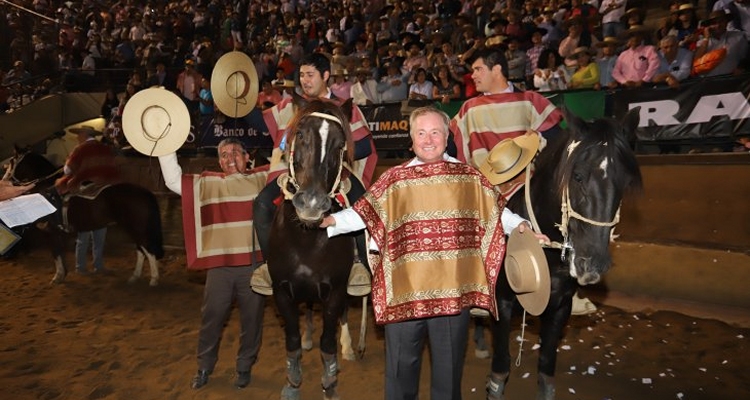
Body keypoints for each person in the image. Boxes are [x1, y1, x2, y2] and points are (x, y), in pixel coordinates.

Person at [319, 106, 548, 400]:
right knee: (400, 375)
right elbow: (364, 214)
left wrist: (525, 229)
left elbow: (496, 213)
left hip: (452, 296)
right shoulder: (395, 179)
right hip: (404, 294)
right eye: (421, 133)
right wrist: (330, 221)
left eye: (435, 132)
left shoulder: (469, 177)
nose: (428, 140)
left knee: (448, 377)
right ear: (411, 140)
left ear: (446, 137)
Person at [449, 48, 597, 315]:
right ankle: (477, 288)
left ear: (497, 70)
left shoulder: (530, 100)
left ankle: (572, 284)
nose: (473, 76)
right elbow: (451, 148)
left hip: (529, 180)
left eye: (478, 69)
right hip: (486, 185)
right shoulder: (468, 108)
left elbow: (558, 141)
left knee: (570, 210)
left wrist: (540, 143)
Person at [251, 52, 378, 296]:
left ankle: (360, 264)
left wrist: (336, 148)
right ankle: (270, 266)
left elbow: (364, 146)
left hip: (334, 174)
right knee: (262, 204)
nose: (305, 80)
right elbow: (260, 124)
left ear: (326, 76)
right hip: (294, 175)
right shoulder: (291, 105)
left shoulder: (343, 107)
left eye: (310, 75)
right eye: (301, 75)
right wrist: (239, 102)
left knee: (362, 204)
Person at [158, 138, 266, 390]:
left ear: (247, 156)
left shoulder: (262, 179)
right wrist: (165, 144)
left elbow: (287, 169)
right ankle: (204, 366)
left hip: (254, 266)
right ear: (219, 161)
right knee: (212, 317)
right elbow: (173, 180)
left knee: (252, 320)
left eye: (236, 153)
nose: (230, 158)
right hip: (220, 267)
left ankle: (244, 367)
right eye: (224, 154)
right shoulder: (208, 183)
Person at [54, 126, 121, 275]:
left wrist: (67, 162)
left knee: (82, 233)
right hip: (103, 187)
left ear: (84, 135)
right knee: (100, 232)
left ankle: (80, 266)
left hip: (84, 190)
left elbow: (68, 171)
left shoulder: (79, 149)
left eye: (79, 135)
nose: (78, 137)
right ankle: (98, 265)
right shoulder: (104, 148)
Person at [693, 10, 749, 77]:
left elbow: (746, 56)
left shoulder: (738, 36)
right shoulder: (702, 42)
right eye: (714, 23)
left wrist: (741, 67)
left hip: (732, 79)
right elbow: (696, 62)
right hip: (708, 82)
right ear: (708, 26)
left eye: (721, 21)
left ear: (726, 22)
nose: (718, 25)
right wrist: (706, 38)